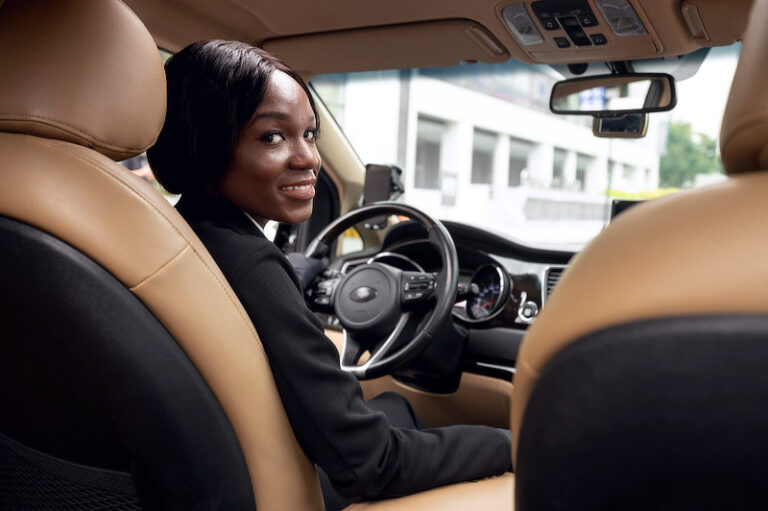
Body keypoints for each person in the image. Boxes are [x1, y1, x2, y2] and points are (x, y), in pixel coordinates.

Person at [146, 40, 511, 510]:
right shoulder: (253, 266)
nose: (309, 159)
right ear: (206, 143)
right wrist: (509, 443)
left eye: (310, 134)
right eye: (272, 137)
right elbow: (370, 463)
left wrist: (296, 274)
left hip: (219, 470)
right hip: (282, 486)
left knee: (396, 406)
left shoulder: (183, 234)